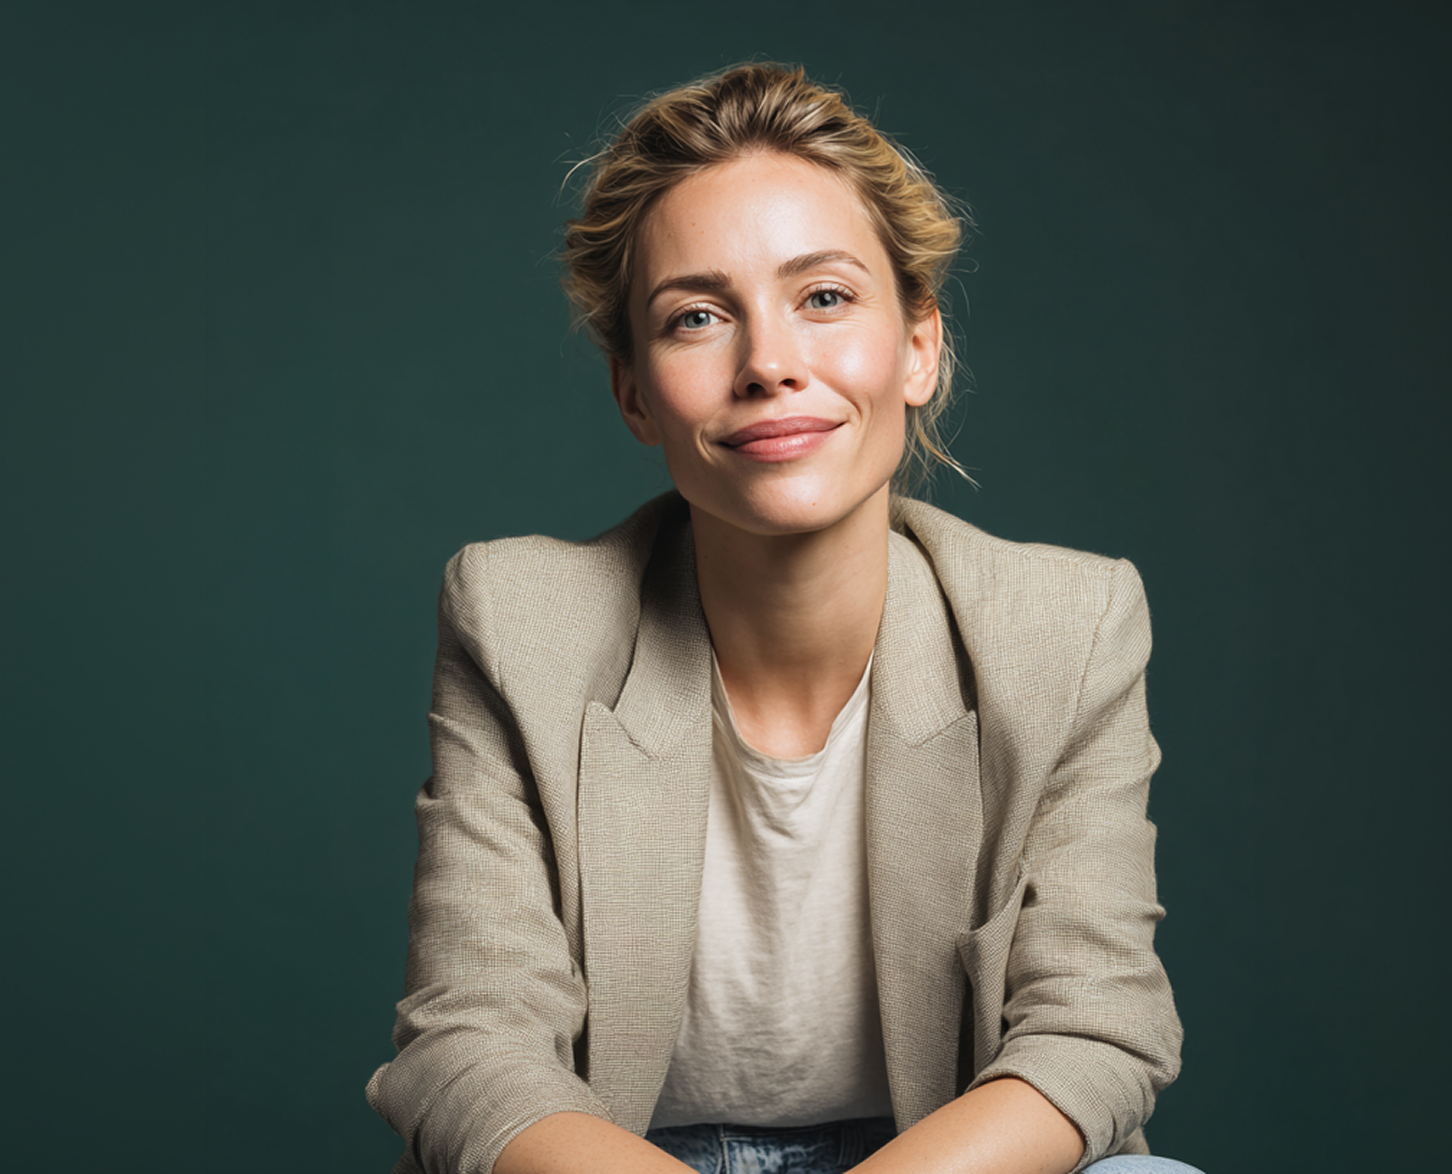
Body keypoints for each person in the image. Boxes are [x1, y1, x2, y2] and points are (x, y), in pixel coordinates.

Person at [368, 63, 1199, 1174]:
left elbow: (1097, 1032)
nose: (769, 365)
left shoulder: (1065, 626)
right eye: (698, 316)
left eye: (824, 297)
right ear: (632, 390)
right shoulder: (521, 622)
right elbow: (469, 1047)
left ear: (917, 345)